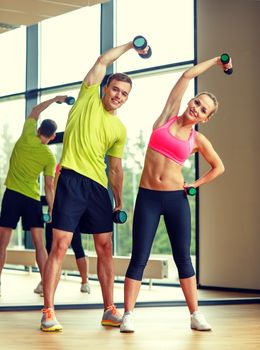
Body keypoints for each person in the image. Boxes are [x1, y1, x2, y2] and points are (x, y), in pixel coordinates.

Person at [40, 39, 148, 332]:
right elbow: (102, 61)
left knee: (104, 247)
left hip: (98, 189)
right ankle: (48, 311)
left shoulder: (119, 129)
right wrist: (131, 46)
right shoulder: (87, 98)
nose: (118, 96)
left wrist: (119, 201)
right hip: (72, 180)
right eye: (115, 89)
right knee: (60, 245)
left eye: (124, 94)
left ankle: (109, 310)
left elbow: (115, 167)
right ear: (104, 88)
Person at [120, 56, 229, 333]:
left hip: (175, 200)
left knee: (183, 257)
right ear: (190, 102)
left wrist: (195, 184)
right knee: (139, 257)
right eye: (196, 102)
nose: (196, 108)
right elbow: (186, 75)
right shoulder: (168, 117)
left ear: (206, 118)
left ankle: (195, 314)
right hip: (147, 197)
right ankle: (128, 314)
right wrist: (217, 60)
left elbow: (219, 167)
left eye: (203, 109)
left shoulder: (197, 140)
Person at [0, 95, 67, 297]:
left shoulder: (27, 134)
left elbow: (36, 110)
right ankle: (47, 286)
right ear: (53, 136)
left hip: (12, 196)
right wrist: (54, 210)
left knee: (2, 242)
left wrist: (56, 99)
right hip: (31, 200)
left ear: (38, 129)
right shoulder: (48, 156)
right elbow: (49, 186)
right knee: (39, 244)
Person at [34, 224, 91, 295]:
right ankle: (85, 283)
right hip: (68, 217)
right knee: (77, 248)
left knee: (52, 251)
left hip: (58, 218)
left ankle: (45, 285)